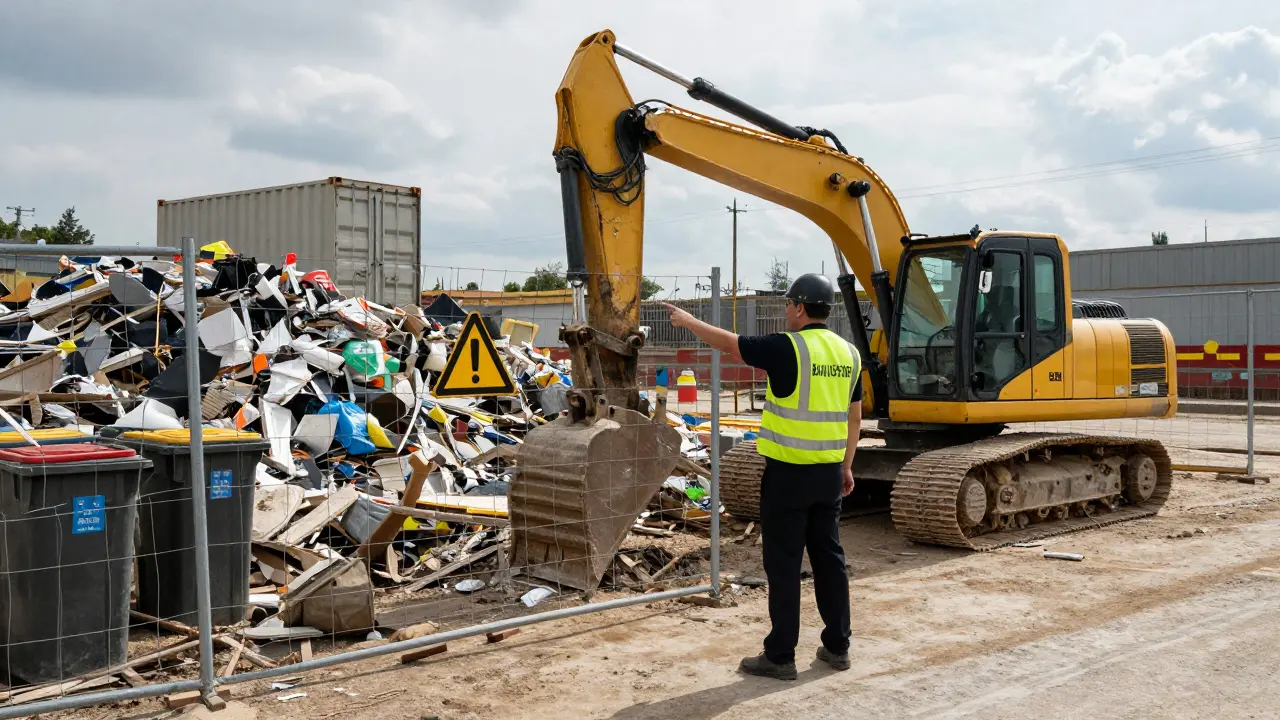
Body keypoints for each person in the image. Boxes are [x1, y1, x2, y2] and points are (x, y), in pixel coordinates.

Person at [663, 273, 861, 681]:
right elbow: (853, 414)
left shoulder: (786, 347)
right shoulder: (849, 354)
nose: (786, 310)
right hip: (828, 474)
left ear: (801, 308)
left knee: (785, 564)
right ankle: (838, 646)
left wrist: (687, 320)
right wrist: (846, 465)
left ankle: (780, 655)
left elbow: (729, 343)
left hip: (788, 477)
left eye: (788, 303)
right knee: (830, 559)